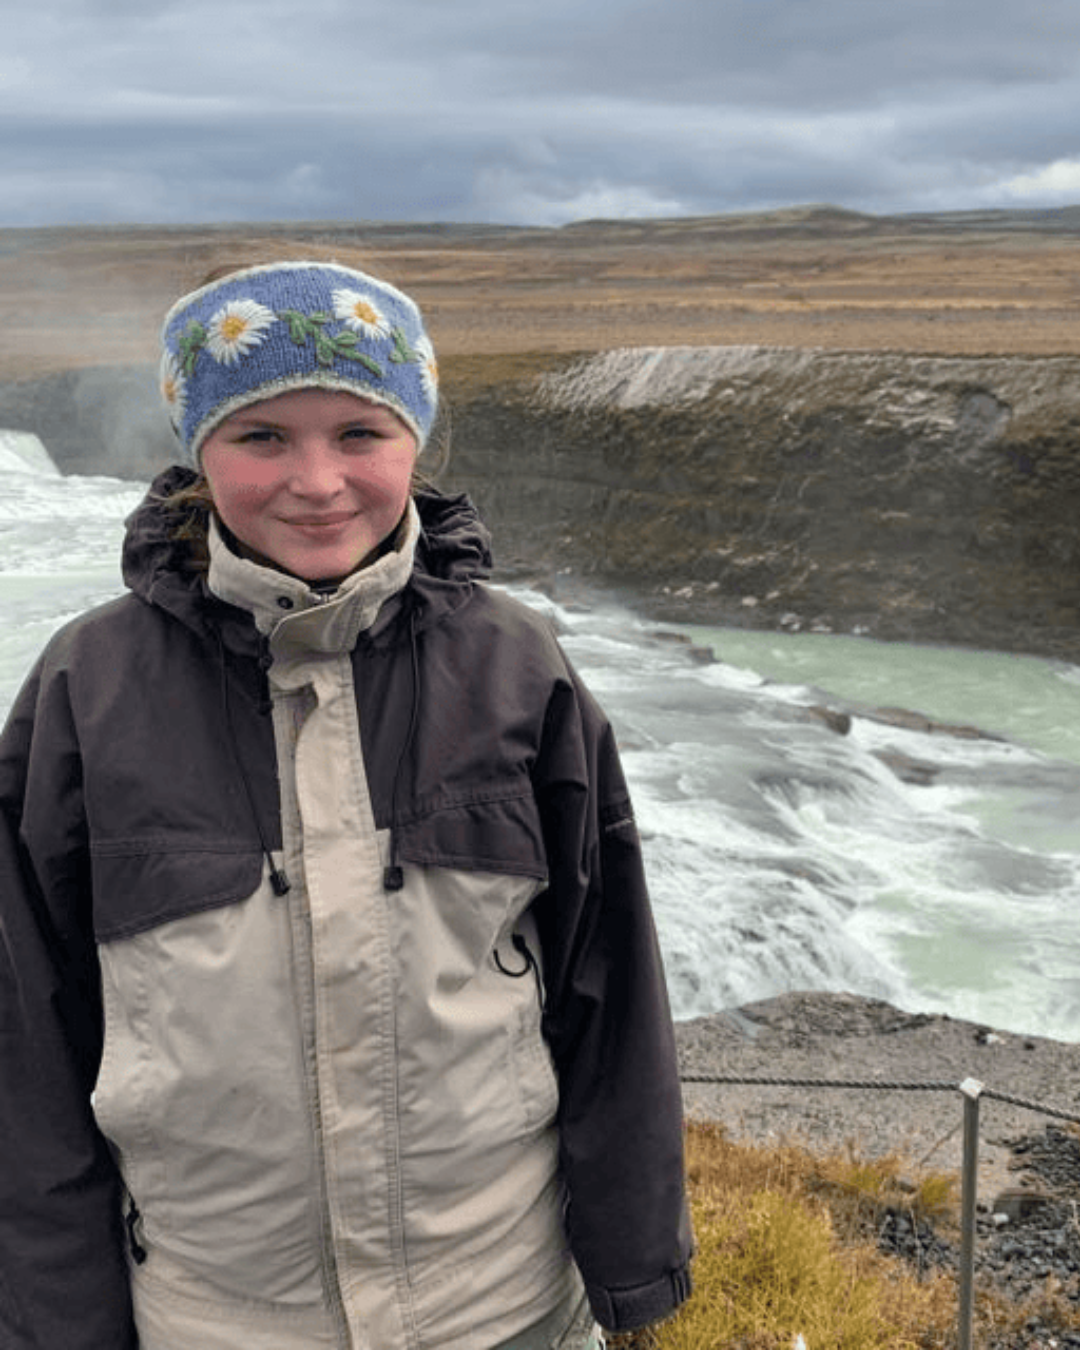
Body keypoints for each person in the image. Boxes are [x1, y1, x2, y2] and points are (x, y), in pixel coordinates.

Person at [0, 260, 692, 1349]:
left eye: (360, 434)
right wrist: (59, 1322)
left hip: (503, 1308)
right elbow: (26, 1040)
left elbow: (609, 986)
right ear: (197, 449)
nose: (316, 482)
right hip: (211, 1320)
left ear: (416, 441)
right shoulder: (86, 691)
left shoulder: (517, 665)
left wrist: (635, 1269)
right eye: (261, 436)